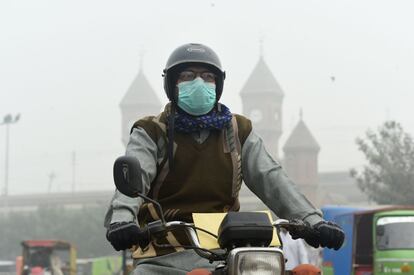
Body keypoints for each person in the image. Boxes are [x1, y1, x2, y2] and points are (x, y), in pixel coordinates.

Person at [104, 43, 344, 275]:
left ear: (217, 85)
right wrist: (122, 219)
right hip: (165, 254)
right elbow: (135, 178)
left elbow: (271, 177)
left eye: (208, 76)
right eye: (187, 75)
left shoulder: (238, 130)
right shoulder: (151, 131)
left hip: (231, 250)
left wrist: (313, 221)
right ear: (172, 84)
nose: (199, 83)